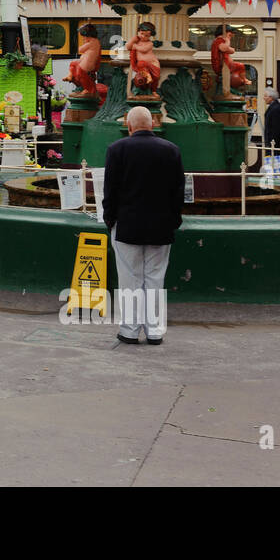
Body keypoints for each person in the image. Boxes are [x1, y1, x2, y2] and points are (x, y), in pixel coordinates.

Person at [102, 106, 184, 345]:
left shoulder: (117, 149)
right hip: (161, 225)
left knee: (130, 278)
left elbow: (110, 191)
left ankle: (129, 330)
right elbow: (178, 192)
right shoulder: (172, 150)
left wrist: (110, 219)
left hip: (127, 225)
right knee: (155, 278)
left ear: (129, 126)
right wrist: (173, 220)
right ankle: (154, 330)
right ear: (153, 124)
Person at [66, 23, 104, 99]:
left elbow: (80, 49)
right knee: (73, 63)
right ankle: (70, 76)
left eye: (84, 37)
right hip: (84, 64)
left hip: (86, 66)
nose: (83, 39)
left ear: (88, 36)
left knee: (82, 76)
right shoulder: (95, 42)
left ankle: (88, 89)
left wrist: (86, 43)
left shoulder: (93, 42)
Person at [127, 22, 161, 95]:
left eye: (146, 35)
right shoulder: (136, 42)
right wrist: (133, 40)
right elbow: (128, 47)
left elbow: (144, 49)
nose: (143, 36)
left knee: (156, 77)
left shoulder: (150, 43)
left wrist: (135, 46)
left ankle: (154, 91)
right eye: (141, 34)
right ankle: (148, 76)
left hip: (153, 63)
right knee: (141, 64)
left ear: (150, 36)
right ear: (138, 32)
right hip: (142, 65)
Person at [211, 25, 248, 91]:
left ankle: (244, 79)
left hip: (228, 66)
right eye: (230, 35)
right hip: (223, 67)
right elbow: (224, 48)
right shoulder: (218, 41)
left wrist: (228, 46)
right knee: (240, 66)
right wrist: (227, 41)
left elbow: (231, 50)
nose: (230, 37)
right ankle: (242, 80)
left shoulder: (222, 42)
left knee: (240, 67)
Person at [261, 87, 280, 165]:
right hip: (273, 142)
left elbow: (275, 128)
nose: (264, 98)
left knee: (274, 164)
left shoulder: (275, 109)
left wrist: (271, 142)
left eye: (265, 96)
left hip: (274, 143)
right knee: (273, 164)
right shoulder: (275, 107)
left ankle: (275, 176)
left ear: (271, 97)